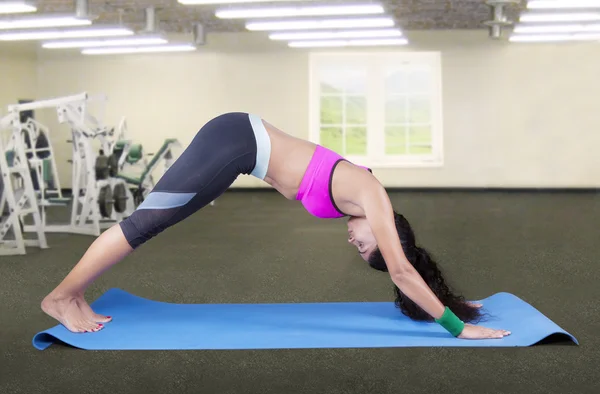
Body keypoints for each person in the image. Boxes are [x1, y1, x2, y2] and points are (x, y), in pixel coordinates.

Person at [41, 112, 511, 340]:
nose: (355, 243)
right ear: (391, 237)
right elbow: (403, 272)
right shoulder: (373, 198)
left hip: (237, 155)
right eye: (367, 248)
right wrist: (456, 327)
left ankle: (76, 291)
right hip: (236, 141)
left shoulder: (357, 202)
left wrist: (449, 301)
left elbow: (412, 269)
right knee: (142, 225)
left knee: (151, 223)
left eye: (359, 250)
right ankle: (60, 297)